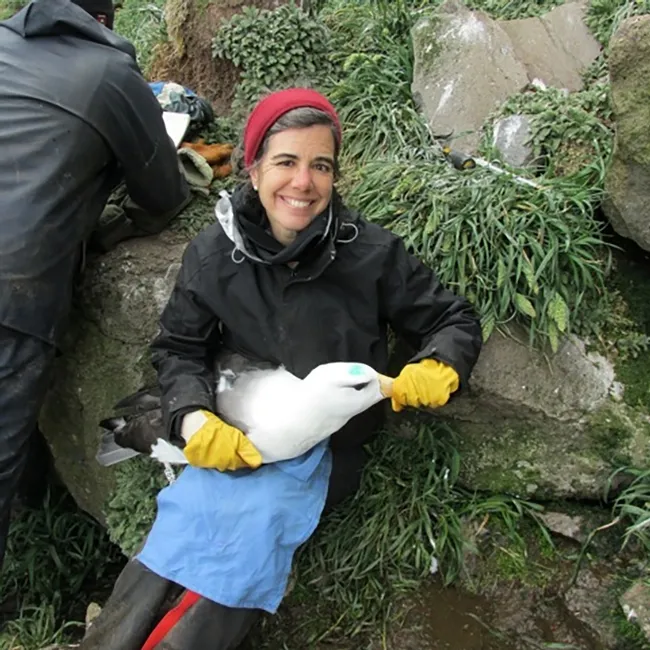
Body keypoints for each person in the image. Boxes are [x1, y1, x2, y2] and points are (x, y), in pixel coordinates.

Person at [81, 88, 482, 649]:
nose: (303, 183)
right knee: (185, 522)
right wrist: (193, 419)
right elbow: (178, 348)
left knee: (252, 531)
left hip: (328, 445)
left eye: (321, 165)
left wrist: (441, 363)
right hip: (242, 425)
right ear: (253, 167)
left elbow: (452, 318)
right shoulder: (214, 255)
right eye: (286, 162)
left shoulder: (370, 252)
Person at [0, 0, 190, 569]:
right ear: (105, 19)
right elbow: (164, 195)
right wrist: (103, 234)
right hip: (15, 293)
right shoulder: (110, 73)